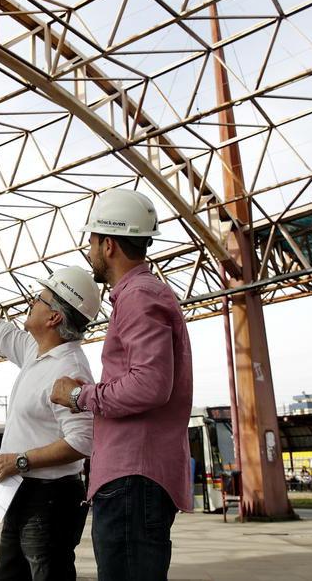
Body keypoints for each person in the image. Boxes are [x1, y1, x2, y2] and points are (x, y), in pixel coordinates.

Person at [50, 188, 193, 581]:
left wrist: (79, 396)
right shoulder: (139, 296)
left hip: (133, 477)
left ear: (108, 244)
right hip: (134, 477)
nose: (90, 251)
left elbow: (149, 385)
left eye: (92, 241)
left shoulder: (138, 297)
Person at [0, 250, 97, 581]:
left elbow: (83, 441)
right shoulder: (35, 352)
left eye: (39, 299)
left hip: (50, 500)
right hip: (23, 494)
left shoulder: (68, 368)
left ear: (54, 317)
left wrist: (19, 461)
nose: (31, 303)